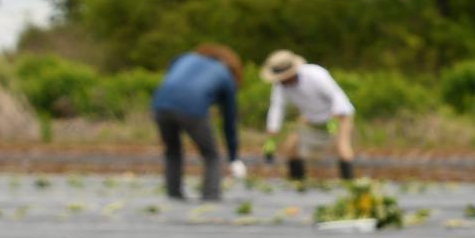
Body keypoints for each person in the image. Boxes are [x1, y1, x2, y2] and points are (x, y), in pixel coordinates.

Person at [149, 44, 246, 202]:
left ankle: (173, 194)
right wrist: (234, 157)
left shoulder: (186, 57)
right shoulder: (226, 76)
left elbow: (172, 69)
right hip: (193, 108)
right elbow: (229, 122)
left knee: (172, 151)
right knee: (212, 154)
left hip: (160, 104)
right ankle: (210, 196)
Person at [260, 50, 357, 183]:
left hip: (338, 114)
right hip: (310, 117)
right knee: (291, 148)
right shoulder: (280, 86)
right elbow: (277, 108)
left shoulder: (315, 75)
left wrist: (335, 119)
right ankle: (298, 183)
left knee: (342, 148)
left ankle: (349, 186)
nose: (282, 81)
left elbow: (336, 96)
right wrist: (272, 134)